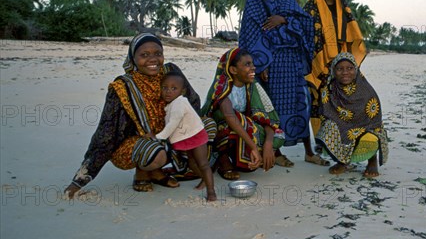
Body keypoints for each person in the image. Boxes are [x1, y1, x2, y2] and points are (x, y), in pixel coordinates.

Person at [64, 33, 216, 198]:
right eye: (144, 55)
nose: (153, 59)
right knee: (155, 151)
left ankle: (161, 173)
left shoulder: (170, 71)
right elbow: (106, 134)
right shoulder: (123, 87)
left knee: (207, 125)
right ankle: (142, 174)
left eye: (158, 54)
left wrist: (182, 129)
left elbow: (192, 100)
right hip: (138, 142)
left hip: (169, 132)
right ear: (133, 58)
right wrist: (79, 180)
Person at [238, 0, 318, 167]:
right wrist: (259, 65)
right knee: (273, 107)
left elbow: (306, 22)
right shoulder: (254, 0)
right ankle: (279, 151)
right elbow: (249, 35)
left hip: (291, 61)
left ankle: (309, 150)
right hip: (269, 64)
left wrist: (284, 20)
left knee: (301, 104)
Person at [303, 0, 367, 151]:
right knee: (319, 101)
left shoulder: (343, 8)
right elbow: (303, 31)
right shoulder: (310, 7)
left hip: (342, 62)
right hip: (319, 62)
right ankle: (321, 141)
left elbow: (352, 32)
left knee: (342, 98)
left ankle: (344, 136)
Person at [200, 48, 285, 180]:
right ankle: (223, 160)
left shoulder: (253, 86)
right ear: (233, 70)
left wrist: (268, 145)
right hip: (223, 131)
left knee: (278, 134)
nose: (253, 68)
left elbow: (268, 118)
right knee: (235, 121)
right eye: (247, 64)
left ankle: (252, 157)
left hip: (243, 130)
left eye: (252, 64)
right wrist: (254, 147)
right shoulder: (222, 87)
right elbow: (230, 116)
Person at [315, 52, 388, 177]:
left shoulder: (366, 90)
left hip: (365, 128)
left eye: (350, 68)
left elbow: (375, 121)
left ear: (356, 69)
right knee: (328, 129)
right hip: (342, 127)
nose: (345, 72)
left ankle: (372, 160)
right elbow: (325, 114)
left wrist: (357, 131)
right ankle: (342, 161)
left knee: (371, 137)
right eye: (340, 69)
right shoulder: (329, 90)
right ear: (333, 71)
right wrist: (341, 126)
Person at [155, 71, 216, 201]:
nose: (168, 91)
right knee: (192, 163)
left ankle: (211, 192)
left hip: (196, 135)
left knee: (203, 164)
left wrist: (160, 136)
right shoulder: (171, 104)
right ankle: (205, 180)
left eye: (173, 88)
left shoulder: (180, 103)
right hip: (187, 136)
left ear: (182, 91)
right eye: (165, 88)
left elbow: (173, 123)